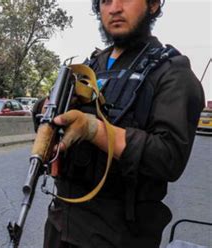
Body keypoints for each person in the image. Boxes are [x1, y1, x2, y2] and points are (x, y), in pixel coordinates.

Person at [42, 0, 205, 247]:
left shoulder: (173, 73)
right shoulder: (89, 67)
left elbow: (168, 158)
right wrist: (48, 112)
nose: (115, 8)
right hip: (60, 224)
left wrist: (94, 130)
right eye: (105, 1)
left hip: (120, 236)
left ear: (152, 5)